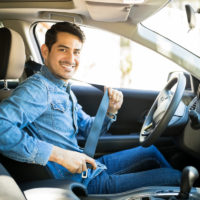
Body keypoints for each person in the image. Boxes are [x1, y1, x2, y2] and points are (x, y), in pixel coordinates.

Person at [0, 22, 181, 194]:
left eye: (76, 52)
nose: (71, 59)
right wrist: (58, 155)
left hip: (87, 168)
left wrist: (110, 111)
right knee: (177, 177)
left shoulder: (62, 89)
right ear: (45, 51)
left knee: (150, 151)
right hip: (78, 182)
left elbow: (88, 129)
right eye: (63, 49)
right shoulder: (37, 89)